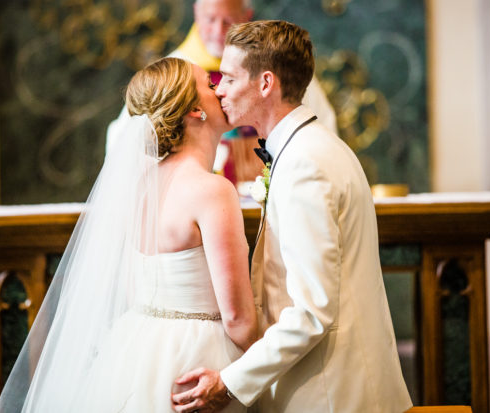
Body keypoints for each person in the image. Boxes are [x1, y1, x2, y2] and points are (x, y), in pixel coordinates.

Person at [171, 21, 412, 413]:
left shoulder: (305, 165)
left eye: (230, 78)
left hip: (333, 394)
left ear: (266, 83)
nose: (219, 89)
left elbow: (312, 312)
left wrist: (229, 383)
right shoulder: (307, 149)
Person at [0, 57, 257, 412]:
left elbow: (137, 287)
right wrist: (275, 366)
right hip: (199, 360)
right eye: (210, 85)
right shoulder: (211, 190)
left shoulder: (140, 186)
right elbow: (238, 320)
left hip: (137, 349)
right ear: (195, 109)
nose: (220, 90)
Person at [106, 0, 337, 183]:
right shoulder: (172, 75)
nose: (218, 30)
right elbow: (127, 139)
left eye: (227, 20)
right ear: (196, 14)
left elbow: (320, 127)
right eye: (210, 19)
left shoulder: (279, 66)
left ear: (246, 16)